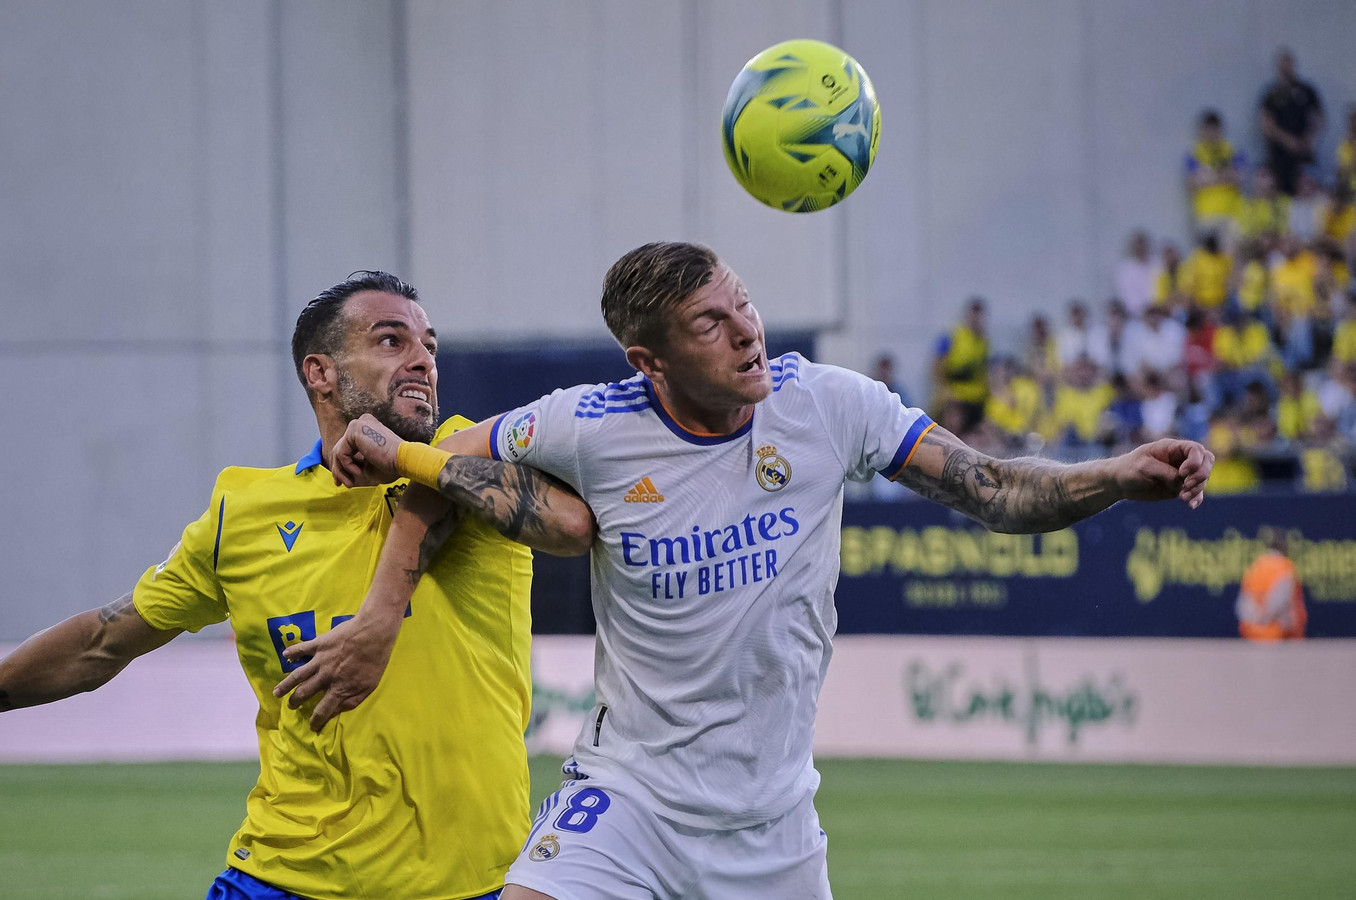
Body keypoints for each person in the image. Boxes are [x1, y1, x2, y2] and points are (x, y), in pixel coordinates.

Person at [296, 241, 1214, 900]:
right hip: (630, 802)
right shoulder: (586, 423)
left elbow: (995, 488)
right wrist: (384, 605)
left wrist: (1117, 477)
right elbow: (445, 470)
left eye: (745, 307)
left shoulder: (828, 404)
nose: (748, 334)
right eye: (712, 323)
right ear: (649, 361)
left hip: (774, 830)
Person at [0, 272, 599, 900]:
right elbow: (100, 642)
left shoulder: (464, 460)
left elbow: (567, 524)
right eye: (390, 340)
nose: (421, 361)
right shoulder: (243, 512)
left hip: (464, 884)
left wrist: (405, 457)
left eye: (428, 345)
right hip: (280, 875)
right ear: (320, 371)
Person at [1259, 49, 1324, 197]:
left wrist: (1309, 138)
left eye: (1288, 64)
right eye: (1282, 64)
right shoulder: (1271, 94)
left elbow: (1319, 118)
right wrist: (1287, 140)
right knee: (1283, 196)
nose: (1286, 68)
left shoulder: (1307, 91)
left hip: (1304, 155)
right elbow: (1266, 124)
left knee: (1309, 195)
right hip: (1281, 157)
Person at [1235, 530, 1307, 641]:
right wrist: (1265, 619)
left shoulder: (1255, 567)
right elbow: (1280, 600)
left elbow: (1243, 603)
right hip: (1279, 633)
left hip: (1253, 632)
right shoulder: (1284, 567)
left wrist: (1256, 621)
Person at [932, 296, 990, 436]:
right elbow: (938, 365)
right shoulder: (953, 335)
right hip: (956, 394)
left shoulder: (983, 340)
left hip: (977, 397)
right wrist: (943, 390)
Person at [1186, 110, 1245, 240]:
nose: (1211, 134)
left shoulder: (1233, 150)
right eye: (1208, 130)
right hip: (1206, 216)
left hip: (1232, 214)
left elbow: (1239, 178)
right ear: (1202, 130)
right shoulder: (1194, 153)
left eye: (1214, 130)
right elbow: (1193, 183)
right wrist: (1225, 175)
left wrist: (1209, 176)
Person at [1114, 231, 1160, 315]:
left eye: (1142, 244)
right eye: (1137, 245)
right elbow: (1127, 297)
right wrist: (1144, 310)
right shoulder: (1125, 269)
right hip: (1137, 316)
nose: (1140, 248)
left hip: (1161, 312)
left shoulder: (1158, 263)